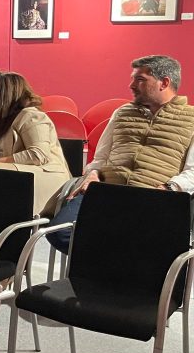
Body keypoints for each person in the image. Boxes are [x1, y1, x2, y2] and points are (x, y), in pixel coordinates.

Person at [48, 55, 194, 252]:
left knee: (139, 242)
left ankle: (113, 260)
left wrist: (168, 188)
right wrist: (92, 174)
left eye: (140, 80)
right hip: (106, 190)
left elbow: (192, 172)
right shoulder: (122, 113)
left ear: (164, 83)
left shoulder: (191, 119)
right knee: (60, 232)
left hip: (151, 196)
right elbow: (100, 158)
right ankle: (117, 256)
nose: (131, 85)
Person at [0, 71, 71, 212]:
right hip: (12, 178)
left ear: (5, 93)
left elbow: (38, 155)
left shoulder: (31, 116)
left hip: (46, 178)